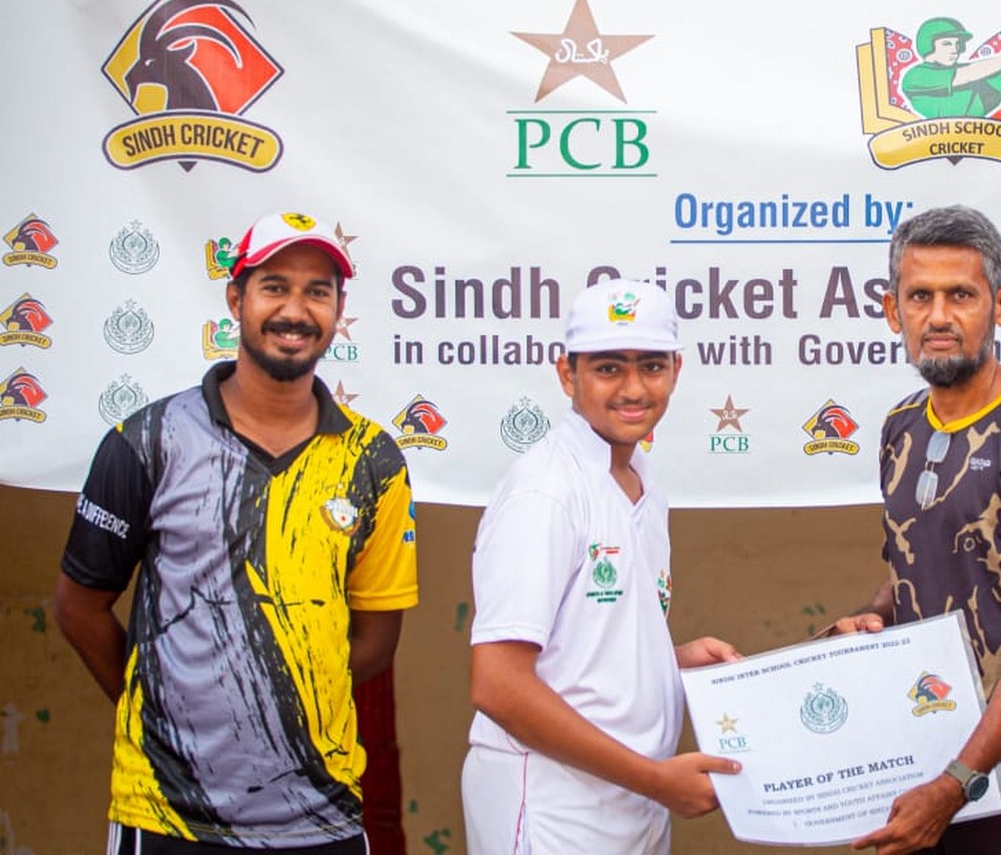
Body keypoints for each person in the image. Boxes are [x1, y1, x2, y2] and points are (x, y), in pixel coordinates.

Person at [54, 210, 418, 853]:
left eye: (317, 292)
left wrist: (281, 710)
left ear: (338, 311)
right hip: (167, 814)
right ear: (235, 299)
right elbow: (78, 608)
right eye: (274, 287)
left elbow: (376, 638)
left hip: (321, 815)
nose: (295, 310)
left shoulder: (374, 461)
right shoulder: (148, 440)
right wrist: (159, 714)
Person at [840, 205, 1001, 855]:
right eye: (919, 297)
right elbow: (922, 565)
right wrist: (871, 620)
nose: (938, 316)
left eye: (960, 295)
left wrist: (960, 779)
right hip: (930, 767)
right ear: (892, 311)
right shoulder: (901, 427)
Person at [462, 279, 742, 854]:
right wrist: (657, 780)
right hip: (554, 806)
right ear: (567, 374)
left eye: (651, 366)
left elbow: (580, 650)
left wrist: (668, 661)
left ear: (677, 370)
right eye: (608, 368)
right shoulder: (545, 493)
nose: (633, 389)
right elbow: (499, 685)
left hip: (630, 804)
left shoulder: (640, 481)